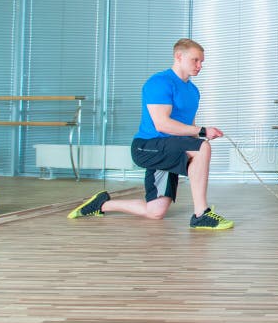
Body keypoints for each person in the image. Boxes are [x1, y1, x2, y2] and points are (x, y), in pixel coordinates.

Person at [68, 38, 233, 230]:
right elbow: (162, 124)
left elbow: (189, 128)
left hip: (170, 149)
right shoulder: (159, 83)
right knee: (203, 147)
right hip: (147, 146)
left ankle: (101, 204)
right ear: (179, 56)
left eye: (202, 62)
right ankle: (201, 214)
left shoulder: (193, 91)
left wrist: (199, 138)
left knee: (155, 211)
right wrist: (203, 134)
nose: (200, 66)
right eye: (195, 60)